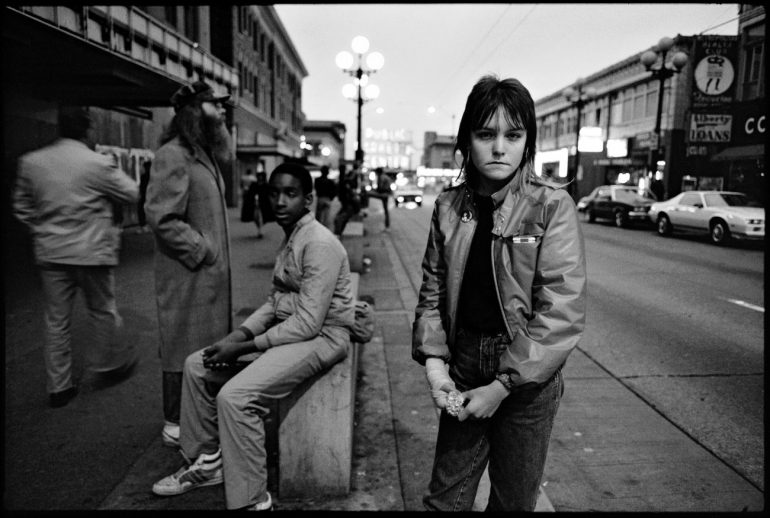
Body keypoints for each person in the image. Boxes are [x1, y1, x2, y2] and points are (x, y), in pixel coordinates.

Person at [412, 75, 587, 511]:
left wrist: (504, 385)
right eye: (485, 134)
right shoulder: (449, 206)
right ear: (467, 140)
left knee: (512, 503)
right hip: (466, 364)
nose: (498, 147)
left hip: (527, 378)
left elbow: (560, 308)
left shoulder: (549, 205)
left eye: (513, 135)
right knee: (444, 499)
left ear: (527, 142)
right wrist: (436, 366)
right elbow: (432, 289)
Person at [151, 162, 355, 511]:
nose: (279, 201)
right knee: (196, 365)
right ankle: (207, 462)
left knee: (236, 397)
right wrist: (235, 338)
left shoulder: (319, 242)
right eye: (273, 193)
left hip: (323, 337)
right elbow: (275, 303)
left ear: (307, 200)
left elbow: (307, 323)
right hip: (295, 330)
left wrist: (243, 347)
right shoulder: (292, 235)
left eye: (290, 194)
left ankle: (253, 500)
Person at [12, 106, 140, 408]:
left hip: (51, 254)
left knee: (56, 321)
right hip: (92, 253)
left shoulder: (31, 162)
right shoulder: (97, 163)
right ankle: (107, 365)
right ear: (87, 130)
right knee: (103, 310)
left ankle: (59, 387)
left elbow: (21, 207)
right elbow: (132, 193)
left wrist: (42, 227)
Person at [144, 80, 233, 448]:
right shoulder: (173, 154)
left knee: (204, 347)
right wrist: (202, 249)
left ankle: (197, 418)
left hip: (205, 278)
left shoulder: (201, 152)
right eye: (216, 105)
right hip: (186, 275)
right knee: (182, 348)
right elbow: (161, 216)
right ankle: (175, 423)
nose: (224, 110)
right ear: (196, 110)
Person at [333, 163, 362, 236]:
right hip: (347, 204)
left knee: (339, 219)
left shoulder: (346, 181)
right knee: (339, 220)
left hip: (348, 204)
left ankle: (337, 235)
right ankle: (338, 235)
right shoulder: (345, 180)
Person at [314, 164, 337, 230]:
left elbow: (316, 189)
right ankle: (324, 230)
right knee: (326, 218)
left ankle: (317, 230)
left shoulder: (317, 180)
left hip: (320, 198)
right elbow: (334, 191)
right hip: (327, 199)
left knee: (318, 217)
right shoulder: (330, 182)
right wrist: (331, 197)